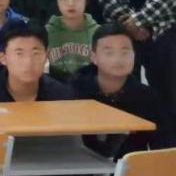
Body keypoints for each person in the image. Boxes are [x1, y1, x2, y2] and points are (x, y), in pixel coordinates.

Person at [70, 24, 176, 159]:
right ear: (94, 57)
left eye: (125, 52)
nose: (118, 59)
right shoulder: (74, 92)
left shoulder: (147, 97)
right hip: (78, 168)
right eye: (109, 52)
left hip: (131, 170)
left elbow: (165, 148)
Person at [0, 21, 76, 102]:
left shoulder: (61, 96)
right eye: (19, 53)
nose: (28, 62)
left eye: (35, 53)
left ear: (46, 55)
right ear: (2, 57)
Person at [46, 0, 99, 81]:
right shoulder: (47, 33)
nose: (70, 3)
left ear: (86, 0)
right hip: (56, 86)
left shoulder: (98, 33)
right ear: (57, 2)